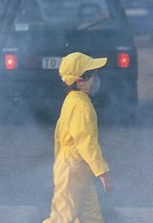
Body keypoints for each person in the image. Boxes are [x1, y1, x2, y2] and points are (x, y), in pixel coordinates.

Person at [43, 52, 113, 223]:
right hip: (73, 172)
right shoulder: (81, 106)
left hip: (78, 172)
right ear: (79, 81)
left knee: (92, 218)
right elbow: (86, 143)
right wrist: (103, 172)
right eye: (93, 76)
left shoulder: (72, 100)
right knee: (61, 218)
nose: (96, 80)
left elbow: (59, 137)